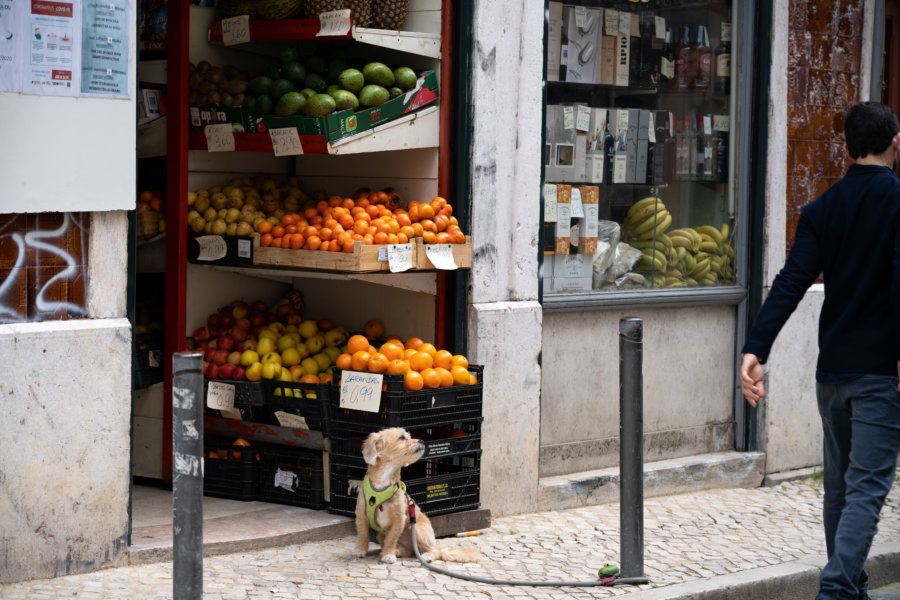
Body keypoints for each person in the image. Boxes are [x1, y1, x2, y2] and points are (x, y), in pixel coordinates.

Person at [739, 101, 900, 600]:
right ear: (895, 143)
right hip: (880, 374)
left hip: (831, 373)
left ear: (848, 148)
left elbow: (790, 283)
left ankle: (848, 588)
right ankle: (835, 587)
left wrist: (755, 348)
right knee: (867, 491)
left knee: (840, 489)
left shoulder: (821, 209)